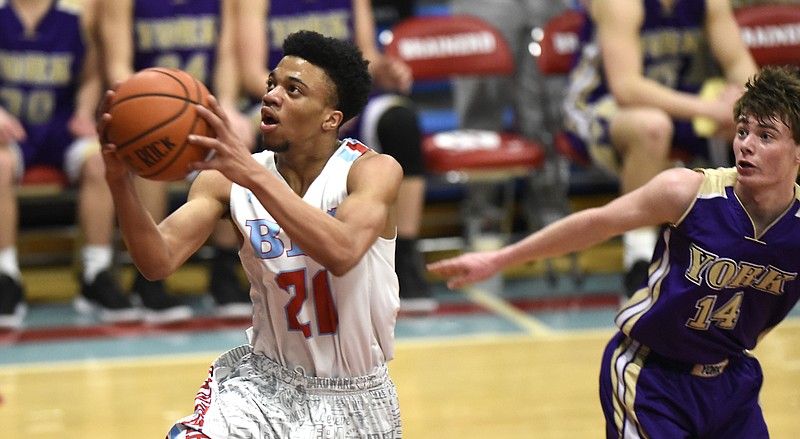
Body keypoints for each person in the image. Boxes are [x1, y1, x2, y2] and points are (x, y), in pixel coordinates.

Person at [429, 64, 800, 439]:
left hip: (730, 385)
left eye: (765, 136)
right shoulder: (689, 193)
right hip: (651, 379)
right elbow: (598, 222)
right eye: (743, 129)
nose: (745, 144)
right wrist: (500, 258)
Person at [99, 30, 414, 439]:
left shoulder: (371, 173)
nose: (271, 95)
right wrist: (120, 179)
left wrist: (252, 174)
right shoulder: (227, 178)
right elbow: (156, 260)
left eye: (293, 89)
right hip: (265, 387)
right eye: (271, 83)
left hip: (353, 404)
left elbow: (342, 250)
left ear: (330, 117)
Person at [233, 0, 438, 314]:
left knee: (402, 123)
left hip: (343, 103)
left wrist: (384, 69)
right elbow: (250, 74)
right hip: (285, 99)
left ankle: (405, 256)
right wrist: (304, 98)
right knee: (240, 136)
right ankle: (228, 266)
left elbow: (367, 56)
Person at [562, 0, 759, 296]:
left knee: (757, 121)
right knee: (652, 127)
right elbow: (626, 88)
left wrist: (743, 98)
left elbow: (738, 64)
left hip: (668, 97)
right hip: (597, 104)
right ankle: (638, 257)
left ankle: (753, 243)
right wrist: (709, 110)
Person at [98, 0, 255, 322]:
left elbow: (226, 57)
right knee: (147, 148)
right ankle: (147, 278)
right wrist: (143, 108)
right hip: (143, 105)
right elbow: (117, 65)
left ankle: (224, 270)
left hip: (199, 108)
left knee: (235, 139)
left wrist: (224, 105)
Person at [0, 0, 139, 330]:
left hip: (61, 125)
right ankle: (5, 275)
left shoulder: (77, 10)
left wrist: (83, 108)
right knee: (0, 165)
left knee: (101, 161)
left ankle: (96, 272)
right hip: (12, 126)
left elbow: (92, 71)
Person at [448, 0, 574, 238]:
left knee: (547, 112)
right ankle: (481, 214)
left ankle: (550, 208)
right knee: (481, 109)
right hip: (485, 7)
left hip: (547, 6)